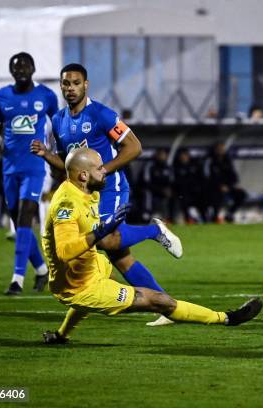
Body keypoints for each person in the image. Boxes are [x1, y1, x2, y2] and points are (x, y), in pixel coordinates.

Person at [41, 148, 262, 343]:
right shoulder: (68, 205)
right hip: (79, 286)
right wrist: (100, 231)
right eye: (99, 168)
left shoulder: (85, 191)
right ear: (83, 175)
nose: (104, 170)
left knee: (108, 280)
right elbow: (64, 252)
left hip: (89, 268)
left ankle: (61, 336)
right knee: (160, 301)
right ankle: (228, 318)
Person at [31, 63, 180, 326]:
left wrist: (103, 171)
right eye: (66, 83)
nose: (70, 88)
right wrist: (47, 156)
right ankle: (164, 304)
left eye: (76, 83)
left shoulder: (101, 114)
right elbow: (69, 166)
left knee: (107, 241)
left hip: (111, 187)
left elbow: (134, 147)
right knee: (120, 257)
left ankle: (154, 231)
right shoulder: (58, 121)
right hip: (88, 194)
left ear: (86, 85)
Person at [0, 52, 58, 295]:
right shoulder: (1, 97)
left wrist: (56, 157)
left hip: (35, 166)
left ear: (33, 68)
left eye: (25, 66)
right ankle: (41, 269)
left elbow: (57, 127)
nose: (21, 70)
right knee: (20, 222)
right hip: (10, 168)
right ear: (11, 71)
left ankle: (17, 279)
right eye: (16, 67)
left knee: (27, 215)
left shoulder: (46, 96)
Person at [203, 142, 247, 223]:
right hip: (213, 187)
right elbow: (207, 176)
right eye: (219, 149)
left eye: (222, 148)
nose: (221, 150)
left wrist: (234, 185)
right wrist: (219, 185)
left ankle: (229, 214)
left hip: (227, 186)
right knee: (216, 196)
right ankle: (215, 217)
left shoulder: (227, 160)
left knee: (241, 194)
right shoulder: (210, 160)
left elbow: (232, 174)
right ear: (215, 149)